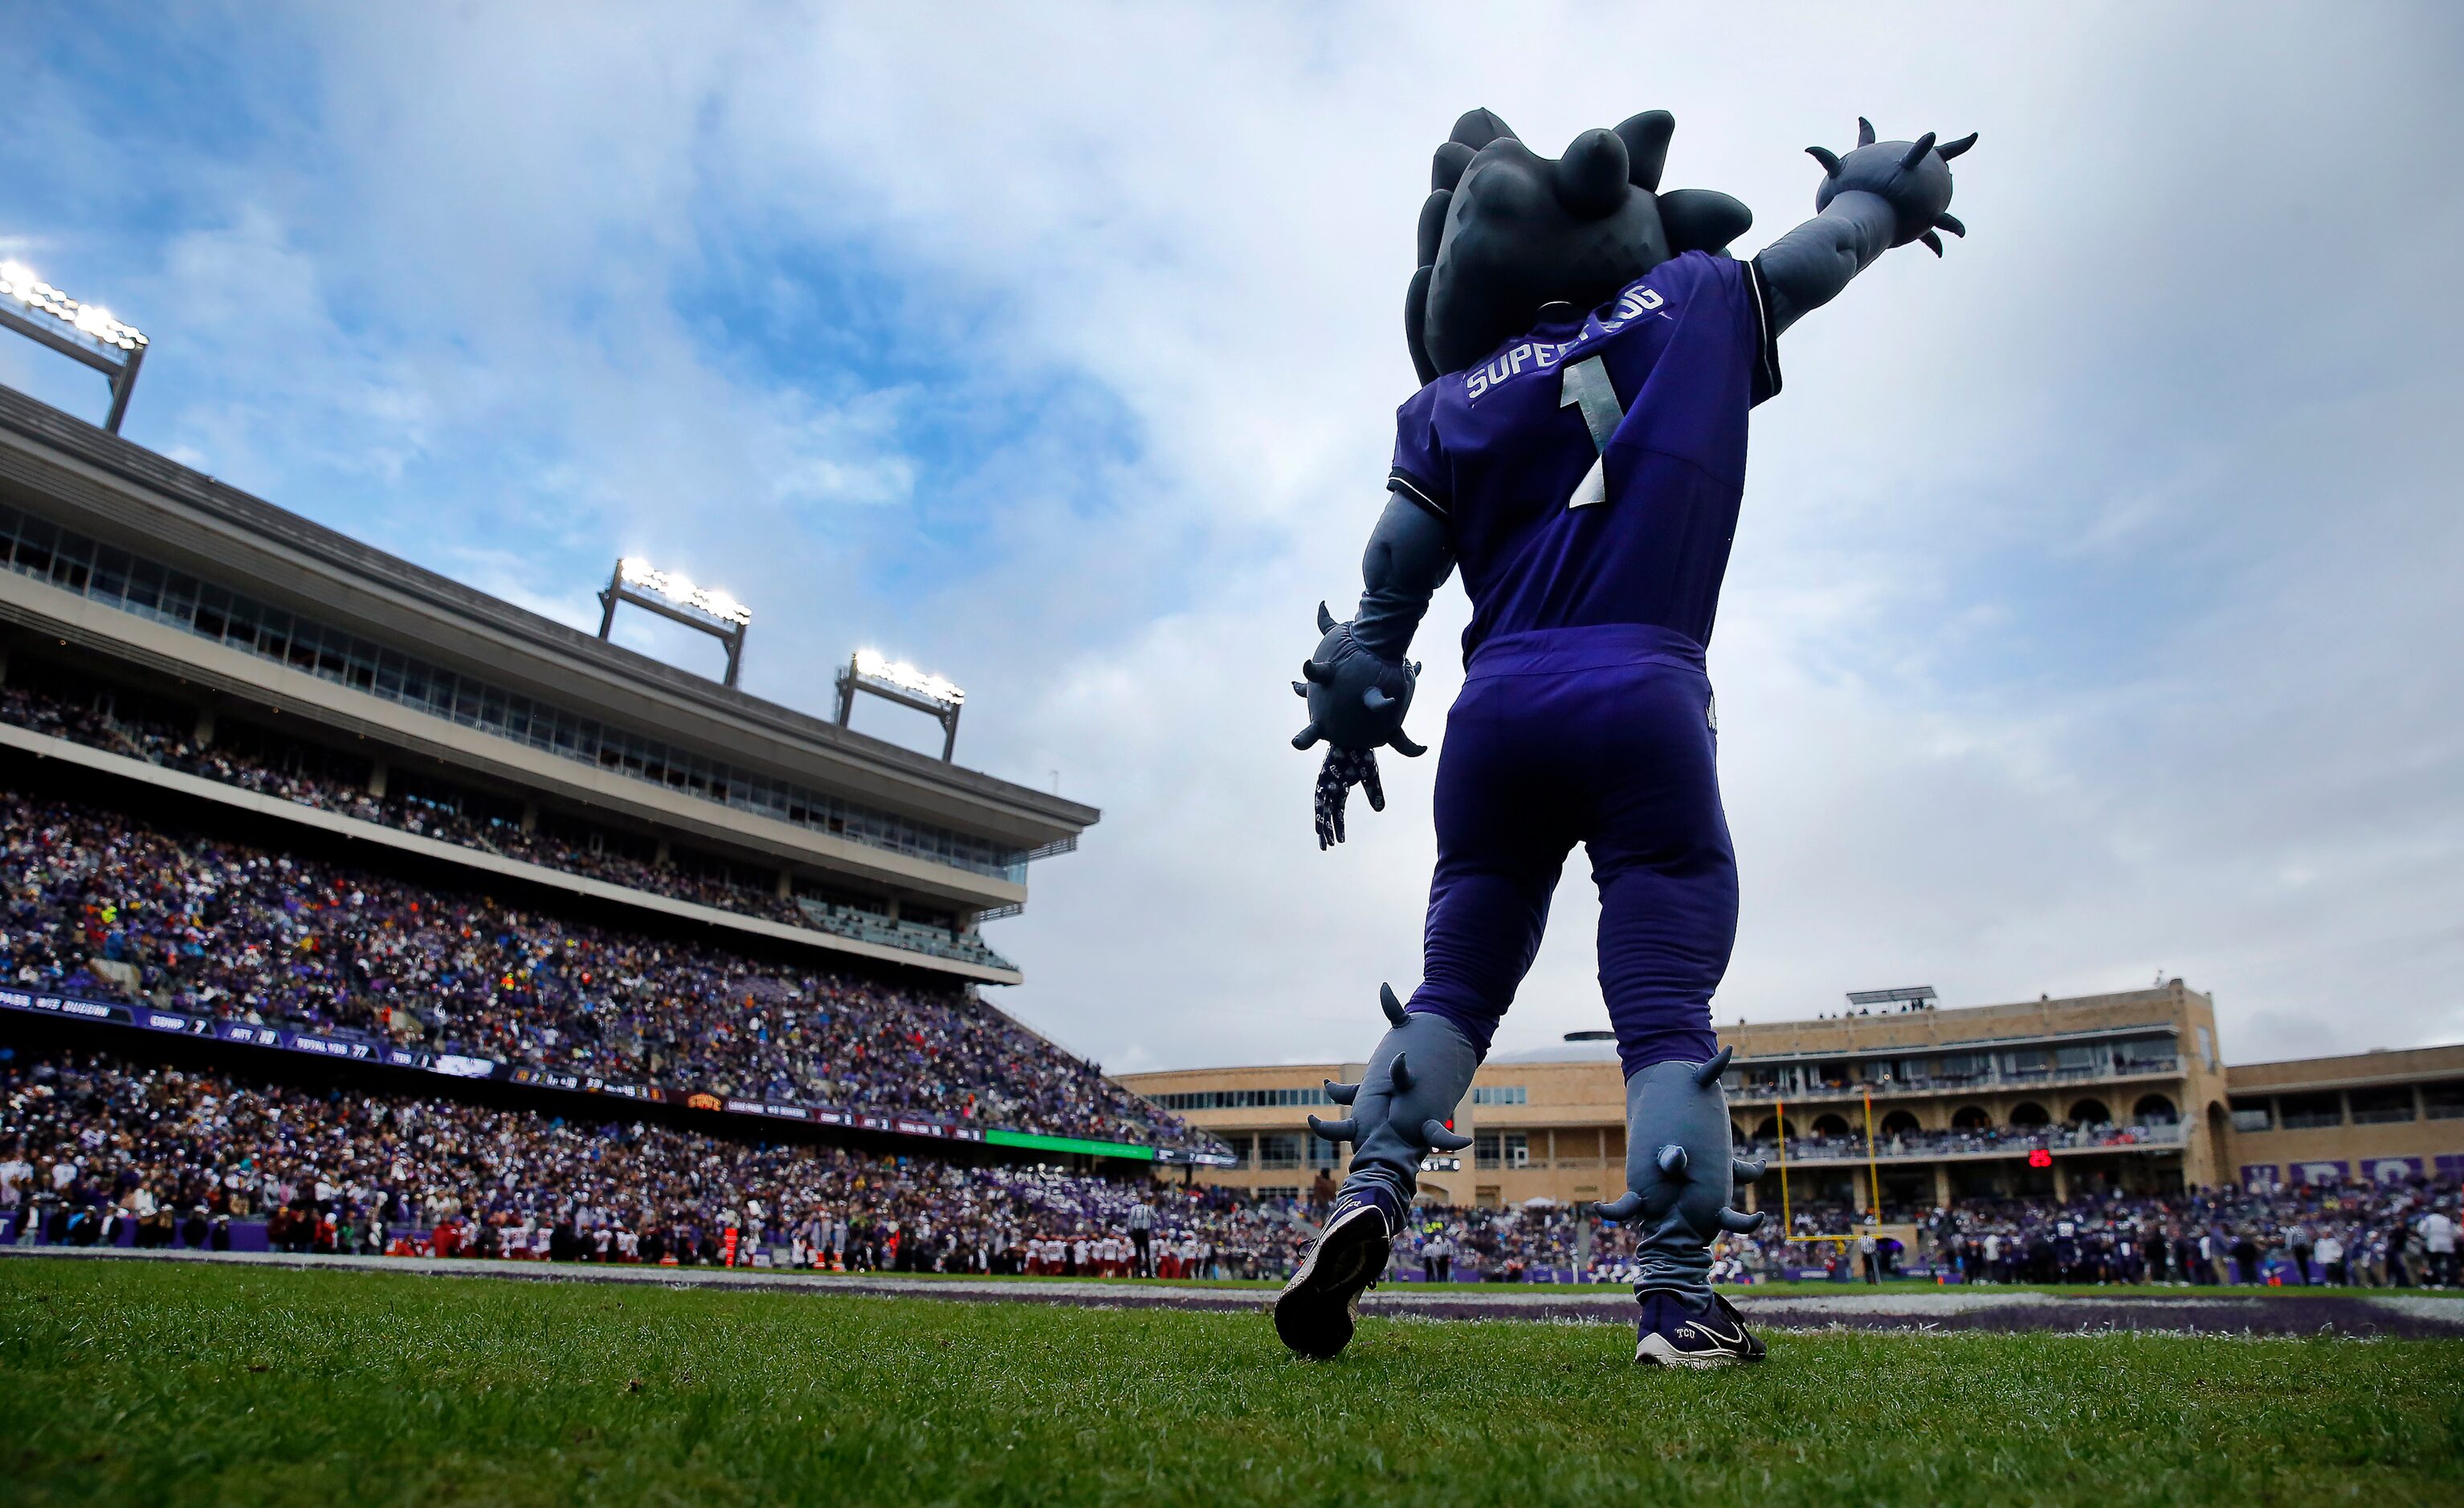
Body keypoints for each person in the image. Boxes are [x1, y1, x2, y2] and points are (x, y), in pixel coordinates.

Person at [1272, 104, 1976, 1369]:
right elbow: (1825, 254)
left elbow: (1386, 590)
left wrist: (1350, 728)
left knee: (1455, 984)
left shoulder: (1447, 402)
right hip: (1643, 685)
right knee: (1660, 1001)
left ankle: (1373, 1184)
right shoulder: (1694, 300)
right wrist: (1887, 192)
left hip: (1497, 714)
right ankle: (1673, 1295)